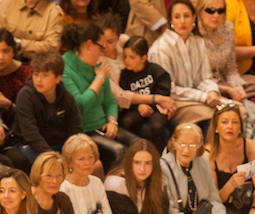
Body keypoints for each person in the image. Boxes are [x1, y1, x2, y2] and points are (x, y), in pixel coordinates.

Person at [61, 22, 140, 169]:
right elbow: (80, 105)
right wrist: (99, 79)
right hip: (83, 131)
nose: (103, 53)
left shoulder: (97, 65)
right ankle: (113, 189)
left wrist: (112, 121)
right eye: (100, 47)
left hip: (102, 126)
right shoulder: (66, 68)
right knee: (119, 151)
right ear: (89, 44)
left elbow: (110, 101)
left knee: (140, 145)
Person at [148, 0, 224, 126]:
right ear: (170, 21)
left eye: (186, 16)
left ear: (194, 18)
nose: (182, 21)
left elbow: (204, 78)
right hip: (173, 102)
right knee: (215, 116)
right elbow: (169, 89)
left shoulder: (198, 42)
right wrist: (203, 97)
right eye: (177, 17)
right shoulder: (160, 49)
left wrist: (212, 91)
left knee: (237, 110)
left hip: (195, 98)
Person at [12, 51, 82, 165]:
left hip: (60, 145)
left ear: (58, 78)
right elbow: (31, 134)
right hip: (31, 146)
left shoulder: (67, 97)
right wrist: (52, 157)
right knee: (54, 168)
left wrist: (72, 151)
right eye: (36, 74)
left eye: (45, 75)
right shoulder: (25, 96)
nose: (39, 80)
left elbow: (76, 129)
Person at [117, 36, 177, 151]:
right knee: (126, 121)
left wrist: (151, 106)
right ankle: (133, 151)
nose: (126, 60)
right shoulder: (125, 74)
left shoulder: (156, 70)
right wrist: (138, 106)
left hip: (157, 107)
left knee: (157, 125)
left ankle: (158, 154)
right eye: (124, 56)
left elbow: (164, 91)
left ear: (143, 58)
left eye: (131, 57)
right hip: (137, 108)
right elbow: (124, 95)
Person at [0, 29, 31, 133]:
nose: (1, 57)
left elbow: (33, 115)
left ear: (13, 51)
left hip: (19, 132)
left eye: (6, 51)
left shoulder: (26, 74)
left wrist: (9, 106)